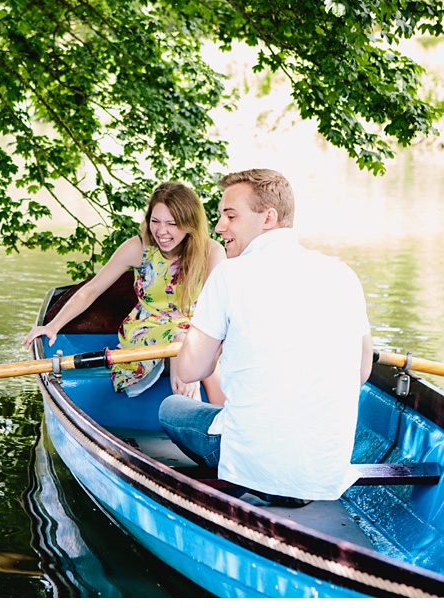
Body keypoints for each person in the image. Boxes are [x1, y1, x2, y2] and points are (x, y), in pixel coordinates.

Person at [160, 168, 373, 506]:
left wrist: (194, 333)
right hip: (323, 471)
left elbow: (188, 371)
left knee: (170, 408)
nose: (219, 227)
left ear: (268, 218)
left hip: (258, 464)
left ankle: (250, 478)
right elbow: (362, 373)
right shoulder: (342, 274)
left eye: (230, 215)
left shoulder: (230, 275)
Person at [23, 182, 226, 400]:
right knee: (181, 342)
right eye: (155, 221)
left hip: (193, 331)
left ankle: (222, 421)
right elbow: (91, 290)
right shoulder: (138, 248)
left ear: (189, 224)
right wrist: (53, 326)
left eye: (172, 223)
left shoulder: (211, 251)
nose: (161, 231)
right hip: (148, 330)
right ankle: (190, 415)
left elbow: (216, 309)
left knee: (192, 347)